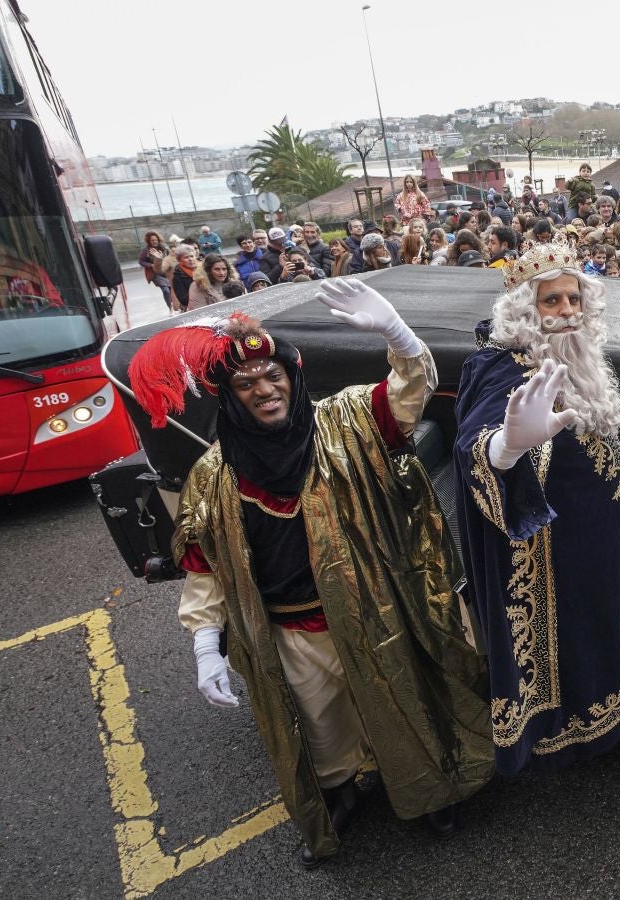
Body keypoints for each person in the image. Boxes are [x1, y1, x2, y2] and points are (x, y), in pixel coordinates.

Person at [128, 288, 493, 868]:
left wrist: (396, 334)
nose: (264, 390)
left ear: (292, 377)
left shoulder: (347, 421)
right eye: (246, 384)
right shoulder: (212, 473)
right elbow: (204, 566)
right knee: (322, 732)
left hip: (374, 612)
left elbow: (406, 396)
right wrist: (204, 645)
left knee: (402, 705)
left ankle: (429, 792)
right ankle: (342, 796)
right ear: (231, 396)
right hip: (289, 629)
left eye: (272, 376)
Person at [452, 243, 620, 775]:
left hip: (598, 525)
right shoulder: (503, 366)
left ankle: (614, 712)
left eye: (573, 298)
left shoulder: (579, 350)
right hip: (548, 544)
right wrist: (508, 447)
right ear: (524, 308)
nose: (567, 311)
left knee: (601, 612)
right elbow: (475, 445)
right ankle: (562, 735)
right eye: (552, 301)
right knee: (569, 629)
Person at [139, 231, 174, 311]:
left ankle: (174, 304)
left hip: (167, 272)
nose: (154, 241)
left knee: (171, 290)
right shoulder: (146, 250)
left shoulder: (164, 247)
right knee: (166, 291)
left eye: (155, 240)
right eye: (152, 240)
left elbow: (171, 256)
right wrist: (151, 265)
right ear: (149, 241)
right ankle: (170, 308)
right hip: (156, 273)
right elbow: (141, 261)